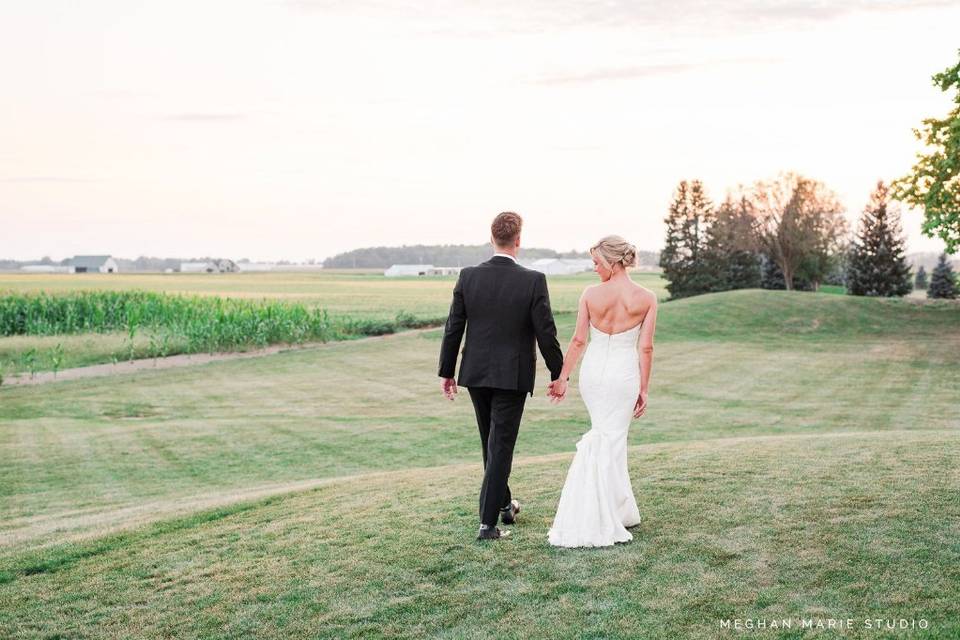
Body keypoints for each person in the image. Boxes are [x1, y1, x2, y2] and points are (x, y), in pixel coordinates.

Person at [438, 211, 564, 541]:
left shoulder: (468, 276)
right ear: (518, 241)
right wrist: (558, 371)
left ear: (491, 238)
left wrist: (447, 372)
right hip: (512, 374)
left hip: (476, 373)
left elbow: (454, 328)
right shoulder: (533, 280)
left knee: (491, 443)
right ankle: (487, 525)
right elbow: (546, 332)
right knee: (501, 446)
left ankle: (505, 506)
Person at [546, 235, 658, 548]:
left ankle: (618, 509)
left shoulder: (591, 295)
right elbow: (645, 347)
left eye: (597, 263)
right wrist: (644, 389)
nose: (594, 268)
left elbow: (579, 340)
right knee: (612, 438)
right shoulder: (646, 298)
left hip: (594, 374)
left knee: (606, 436)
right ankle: (603, 513)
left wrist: (563, 378)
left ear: (612, 261)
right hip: (623, 376)